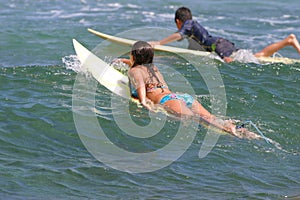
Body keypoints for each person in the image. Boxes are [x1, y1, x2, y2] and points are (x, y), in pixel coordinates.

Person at [118, 40, 259, 139]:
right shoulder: (153, 68)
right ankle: (243, 131)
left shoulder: (134, 71)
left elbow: (141, 87)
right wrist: (124, 61)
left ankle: (230, 129)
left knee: (196, 119)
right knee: (209, 117)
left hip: (167, 101)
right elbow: (139, 71)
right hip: (180, 97)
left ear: (134, 56)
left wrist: (144, 103)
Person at [150, 7, 300, 63]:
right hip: (221, 43)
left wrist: (158, 43)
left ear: (178, 21)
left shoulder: (188, 23)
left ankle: (289, 40)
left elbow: (178, 35)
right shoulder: (193, 28)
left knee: (233, 61)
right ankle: (288, 41)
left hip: (218, 46)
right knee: (257, 56)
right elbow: (192, 46)